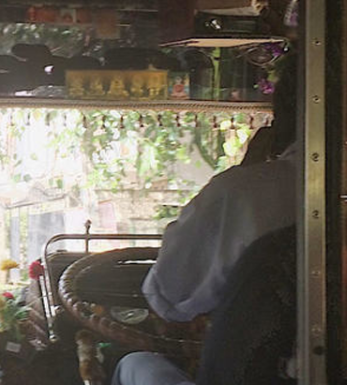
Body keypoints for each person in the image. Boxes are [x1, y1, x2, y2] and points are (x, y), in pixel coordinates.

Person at [114, 53, 298, 385]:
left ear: (282, 116)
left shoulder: (243, 194)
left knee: (135, 364)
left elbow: (170, 299)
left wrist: (249, 171)